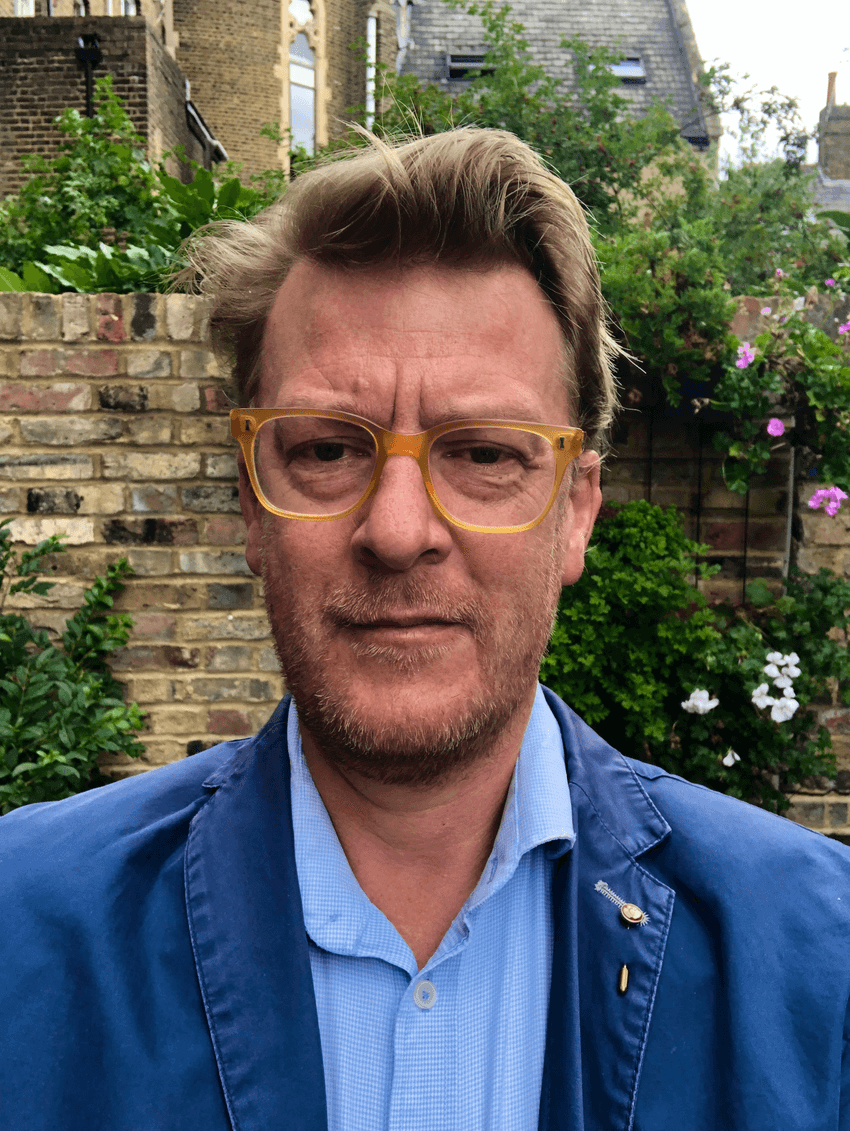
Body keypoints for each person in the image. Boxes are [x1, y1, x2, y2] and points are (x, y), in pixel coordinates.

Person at [2, 128, 850, 1131]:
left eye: (485, 453)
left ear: (577, 510)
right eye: (323, 449)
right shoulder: (24, 931)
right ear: (249, 504)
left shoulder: (817, 960)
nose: (397, 531)